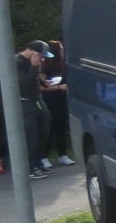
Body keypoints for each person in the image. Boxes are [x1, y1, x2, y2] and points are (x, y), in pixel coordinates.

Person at [15, 40, 52, 179]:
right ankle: (30, 167)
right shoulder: (17, 62)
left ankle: (38, 161)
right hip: (25, 101)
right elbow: (26, 82)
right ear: (33, 52)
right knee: (31, 135)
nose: (42, 59)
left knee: (44, 129)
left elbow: (34, 79)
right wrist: (34, 65)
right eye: (41, 56)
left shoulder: (33, 62)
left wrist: (44, 82)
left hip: (37, 99)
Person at [39, 39, 75, 166]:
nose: (63, 53)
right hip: (50, 99)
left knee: (62, 126)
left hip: (62, 99)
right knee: (50, 127)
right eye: (61, 50)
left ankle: (62, 154)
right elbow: (41, 86)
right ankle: (44, 156)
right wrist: (58, 87)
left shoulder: (63, 66)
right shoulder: (45, 66)